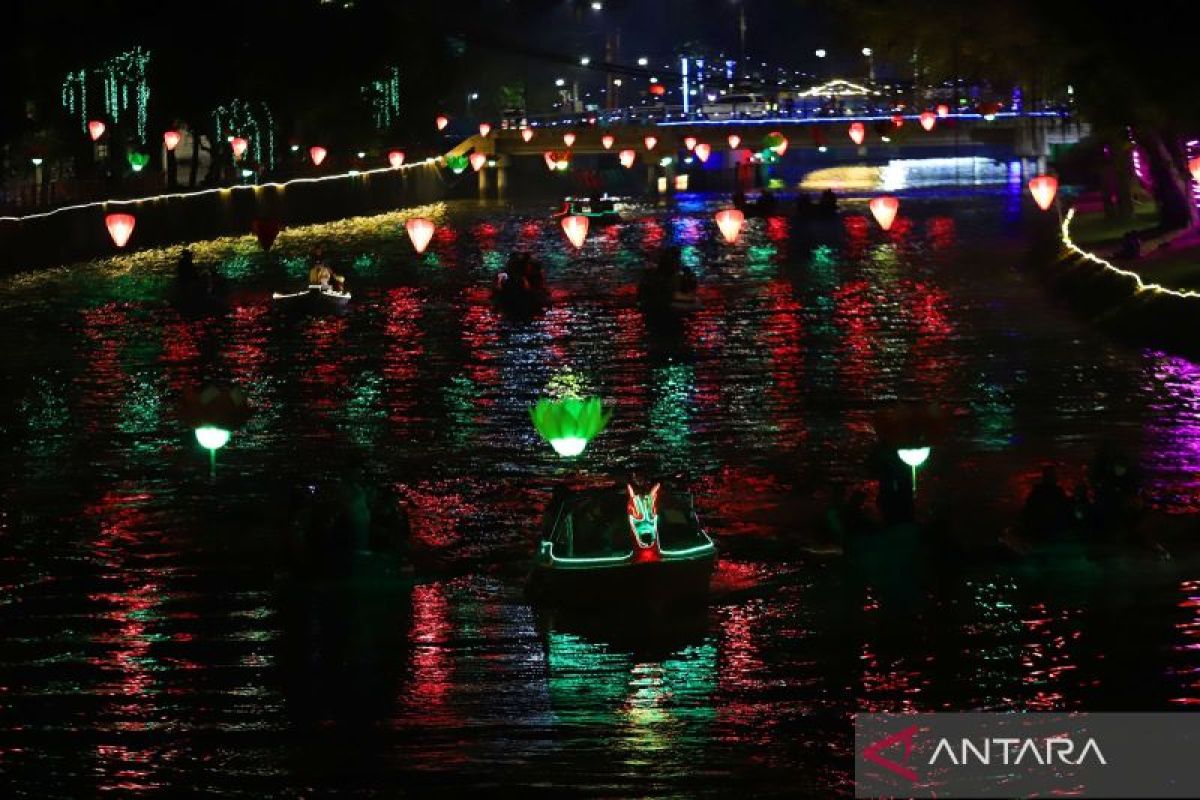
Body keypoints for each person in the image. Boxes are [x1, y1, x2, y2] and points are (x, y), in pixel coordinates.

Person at [1019, 466, 1072, 541]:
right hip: (1048, 530)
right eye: (1053, 475)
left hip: (1047, 530)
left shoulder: (1039, 492)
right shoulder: (1055, 492)